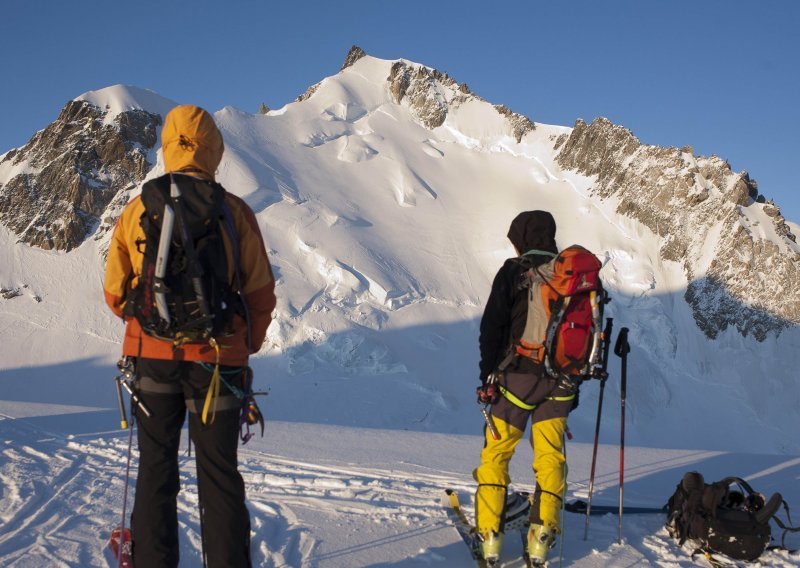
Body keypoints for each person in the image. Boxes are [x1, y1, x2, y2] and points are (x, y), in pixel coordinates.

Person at [103, 104, 276, 567]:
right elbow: (260, 293)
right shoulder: (233, 212)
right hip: (219, 362)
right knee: (219, 476)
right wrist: (244, 344)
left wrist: (150, 325)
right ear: (214, 150)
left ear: (168, 147)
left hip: (152, 359)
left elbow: (116, 292)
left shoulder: (138, 208)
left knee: (155, 470)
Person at [472, 210, 576, 566]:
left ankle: (489, 539)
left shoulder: (513, 273)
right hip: (561, 385)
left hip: (515, 381)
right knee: (551, 461)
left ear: (521, 240)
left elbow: (491, 329)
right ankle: (541, 540)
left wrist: (488, 376)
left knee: (496, 457)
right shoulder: (572, 275)